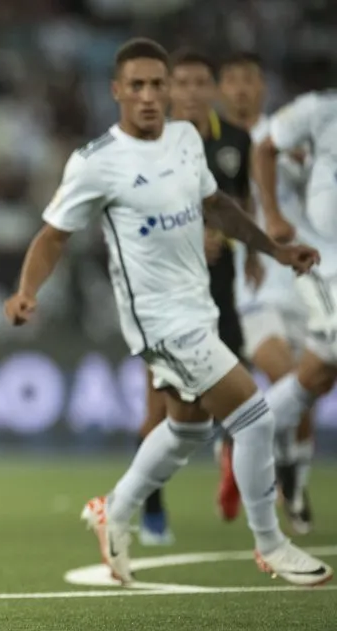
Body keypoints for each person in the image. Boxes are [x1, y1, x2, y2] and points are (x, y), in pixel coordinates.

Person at [4, 38, 331, 587]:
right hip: (159, 322)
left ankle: (115, 509)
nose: (151, 96)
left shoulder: (184, 139)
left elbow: (217, 206)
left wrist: (273, 249)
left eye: (159, 84)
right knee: (254, 416)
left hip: (197, 307)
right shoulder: (96, 163)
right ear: (116, 92)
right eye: (138, 86)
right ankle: (272, 544)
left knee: (186, 428)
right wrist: (26, 291)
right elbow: (53, 236)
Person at [135, 49, 256, 546]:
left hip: (222, 286)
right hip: (165, 290)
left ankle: (232, 463)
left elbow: (241, 205)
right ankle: (152, 505)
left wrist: (238, 247)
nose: (188, 92)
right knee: (161, 408)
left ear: (213, 89)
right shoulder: (147, 144)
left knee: (238, 396)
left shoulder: (236, 140)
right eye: (178, 83)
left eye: (198, 82)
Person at [219, 52, 315, 534]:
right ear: (222, 88)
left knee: (308, 387)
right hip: (252, 285)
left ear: (262, 86)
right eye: (231, 80)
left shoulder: (291, 134)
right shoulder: (210, 143)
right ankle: (258, 454)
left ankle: (292, 475)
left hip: (306, 282)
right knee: (288, 376)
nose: (240, 89)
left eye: (248, 80)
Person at [256, 90, 337, 512]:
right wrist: (272, 214)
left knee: (318, 375)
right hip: (330, 262)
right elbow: (265, 147)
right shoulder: (320, 109)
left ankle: (250, 434)